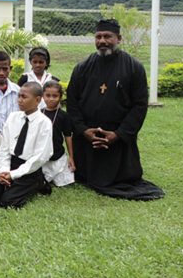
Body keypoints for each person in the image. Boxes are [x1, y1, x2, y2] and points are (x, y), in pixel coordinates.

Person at [66, 19, 164, 200]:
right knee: (85, 175)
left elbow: (139, 106)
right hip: (88, 140)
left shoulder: (134, 67)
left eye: (107, 36)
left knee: (122, 175)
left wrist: (118, 134)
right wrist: (83, 130)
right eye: (98, 36)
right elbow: (72, 102)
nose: (102, 41)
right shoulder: (82, 67)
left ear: (118, 38)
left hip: (118, 141)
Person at [0, 82, 53, 208]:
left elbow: (40, 156)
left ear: (37, 100)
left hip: (30, 168)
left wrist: (13, 175)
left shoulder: (44, 123)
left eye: (24, 97)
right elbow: (4, 148)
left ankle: (38, 183)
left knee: (7, 202)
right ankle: (12, 183)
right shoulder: (13, 117)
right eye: (19, 96)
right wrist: (4, 171)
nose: (19, 100)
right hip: (10, 163)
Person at [40, 80, 75, 187]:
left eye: (55, 96)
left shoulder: (64, 116)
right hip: (42, 155)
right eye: (48, 95)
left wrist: (71, 157)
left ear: (60, 97)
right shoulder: (39, 113)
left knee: (65, 182)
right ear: (42, 96)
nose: (51, 99)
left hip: (58, 154)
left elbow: (68, 137)